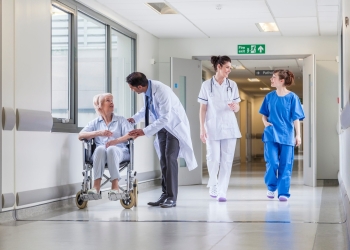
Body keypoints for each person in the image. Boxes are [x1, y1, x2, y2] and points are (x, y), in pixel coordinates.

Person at [126, 72, 197, 208]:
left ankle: (172, 197)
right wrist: (134, 119)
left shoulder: (161, 91)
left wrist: (144, 131)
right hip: (161, 127)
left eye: (132, 87)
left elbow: (166, 118)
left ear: (139, 86)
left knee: (170, 158)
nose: (132, 90)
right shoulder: (146, 91)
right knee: (163, 160)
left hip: (173, 127)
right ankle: (165, 194)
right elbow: (146, 108)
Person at [198, 56, 242, 202]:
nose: (229, 70)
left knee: (227, 161)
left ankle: (223, 191)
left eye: (230, 67)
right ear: (218, 67)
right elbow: (203, 109)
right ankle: (213, 183)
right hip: (212, 127)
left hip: (229, 127)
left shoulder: (232, 85)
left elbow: (237, 106)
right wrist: (202, 128)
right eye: (227, 67)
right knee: (214, 159)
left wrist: (235, 107)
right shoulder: (206, 85)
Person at [259, 69, 305, 202]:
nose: (271, 80)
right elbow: (264, 114)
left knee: (286, 164)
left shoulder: (293, 98)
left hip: (287, 135)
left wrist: (298, 135)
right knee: (272, 162)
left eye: (273, 77)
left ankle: (283, 192)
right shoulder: (269, 97)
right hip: (271, 134)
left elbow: (296, 118)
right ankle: (271, 187)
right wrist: (265, 122)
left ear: (281, 81)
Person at [78, 93, 134, 200]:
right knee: (100, 148)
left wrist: (116, 141)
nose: (112, 102)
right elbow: (81, 135)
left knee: (111, 149)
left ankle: (115, 186)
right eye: (108, 100)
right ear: (100, 105)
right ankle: (96, 187)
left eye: (112, 100)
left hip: (120, 151)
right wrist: (98, 133)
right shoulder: (95, 123)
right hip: (101, 154)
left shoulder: (121, 120)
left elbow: (132, 134)